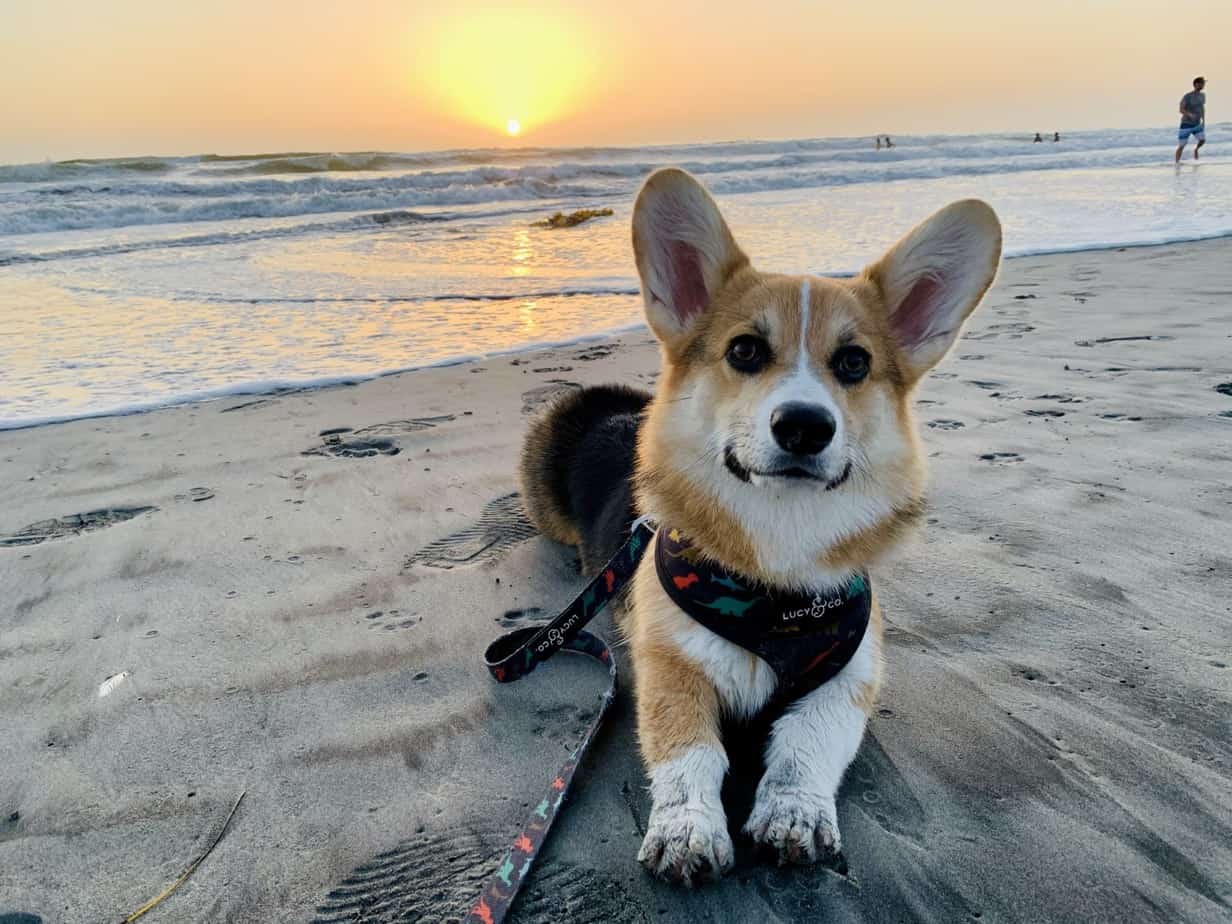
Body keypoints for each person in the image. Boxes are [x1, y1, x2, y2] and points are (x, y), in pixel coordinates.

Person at [1176, 76, 1207, 163]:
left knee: (1202, 140)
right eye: (1202, 83)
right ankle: (1176, 163)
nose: (1203, 85)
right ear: (1196, 84)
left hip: (1197, 124)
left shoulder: (1203, 95)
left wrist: (1204, 121)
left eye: (1204, 83)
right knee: (1182, 145)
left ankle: (1196, 150)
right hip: (1186, 124)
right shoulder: (1187, 96)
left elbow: (1202, 108)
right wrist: (1189, 114)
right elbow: (1181, 109)